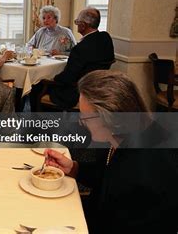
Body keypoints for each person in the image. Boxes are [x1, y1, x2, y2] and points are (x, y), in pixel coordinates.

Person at [45, 70, 178, 233]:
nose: (82, 124)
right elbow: (107, 172)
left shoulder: (144, 168)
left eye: (85, 118)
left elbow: (115, 217)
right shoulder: (124, 136)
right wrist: (73, 168)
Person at [32, 7, 115, 110]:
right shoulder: (106, 38)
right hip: (97, 87)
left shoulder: (80, 48)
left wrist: (52, 78)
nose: (76, 25)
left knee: (38, 86)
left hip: (78, 91)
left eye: (77, 22)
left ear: (83, 25)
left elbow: (68, 76)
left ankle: (40, 122)